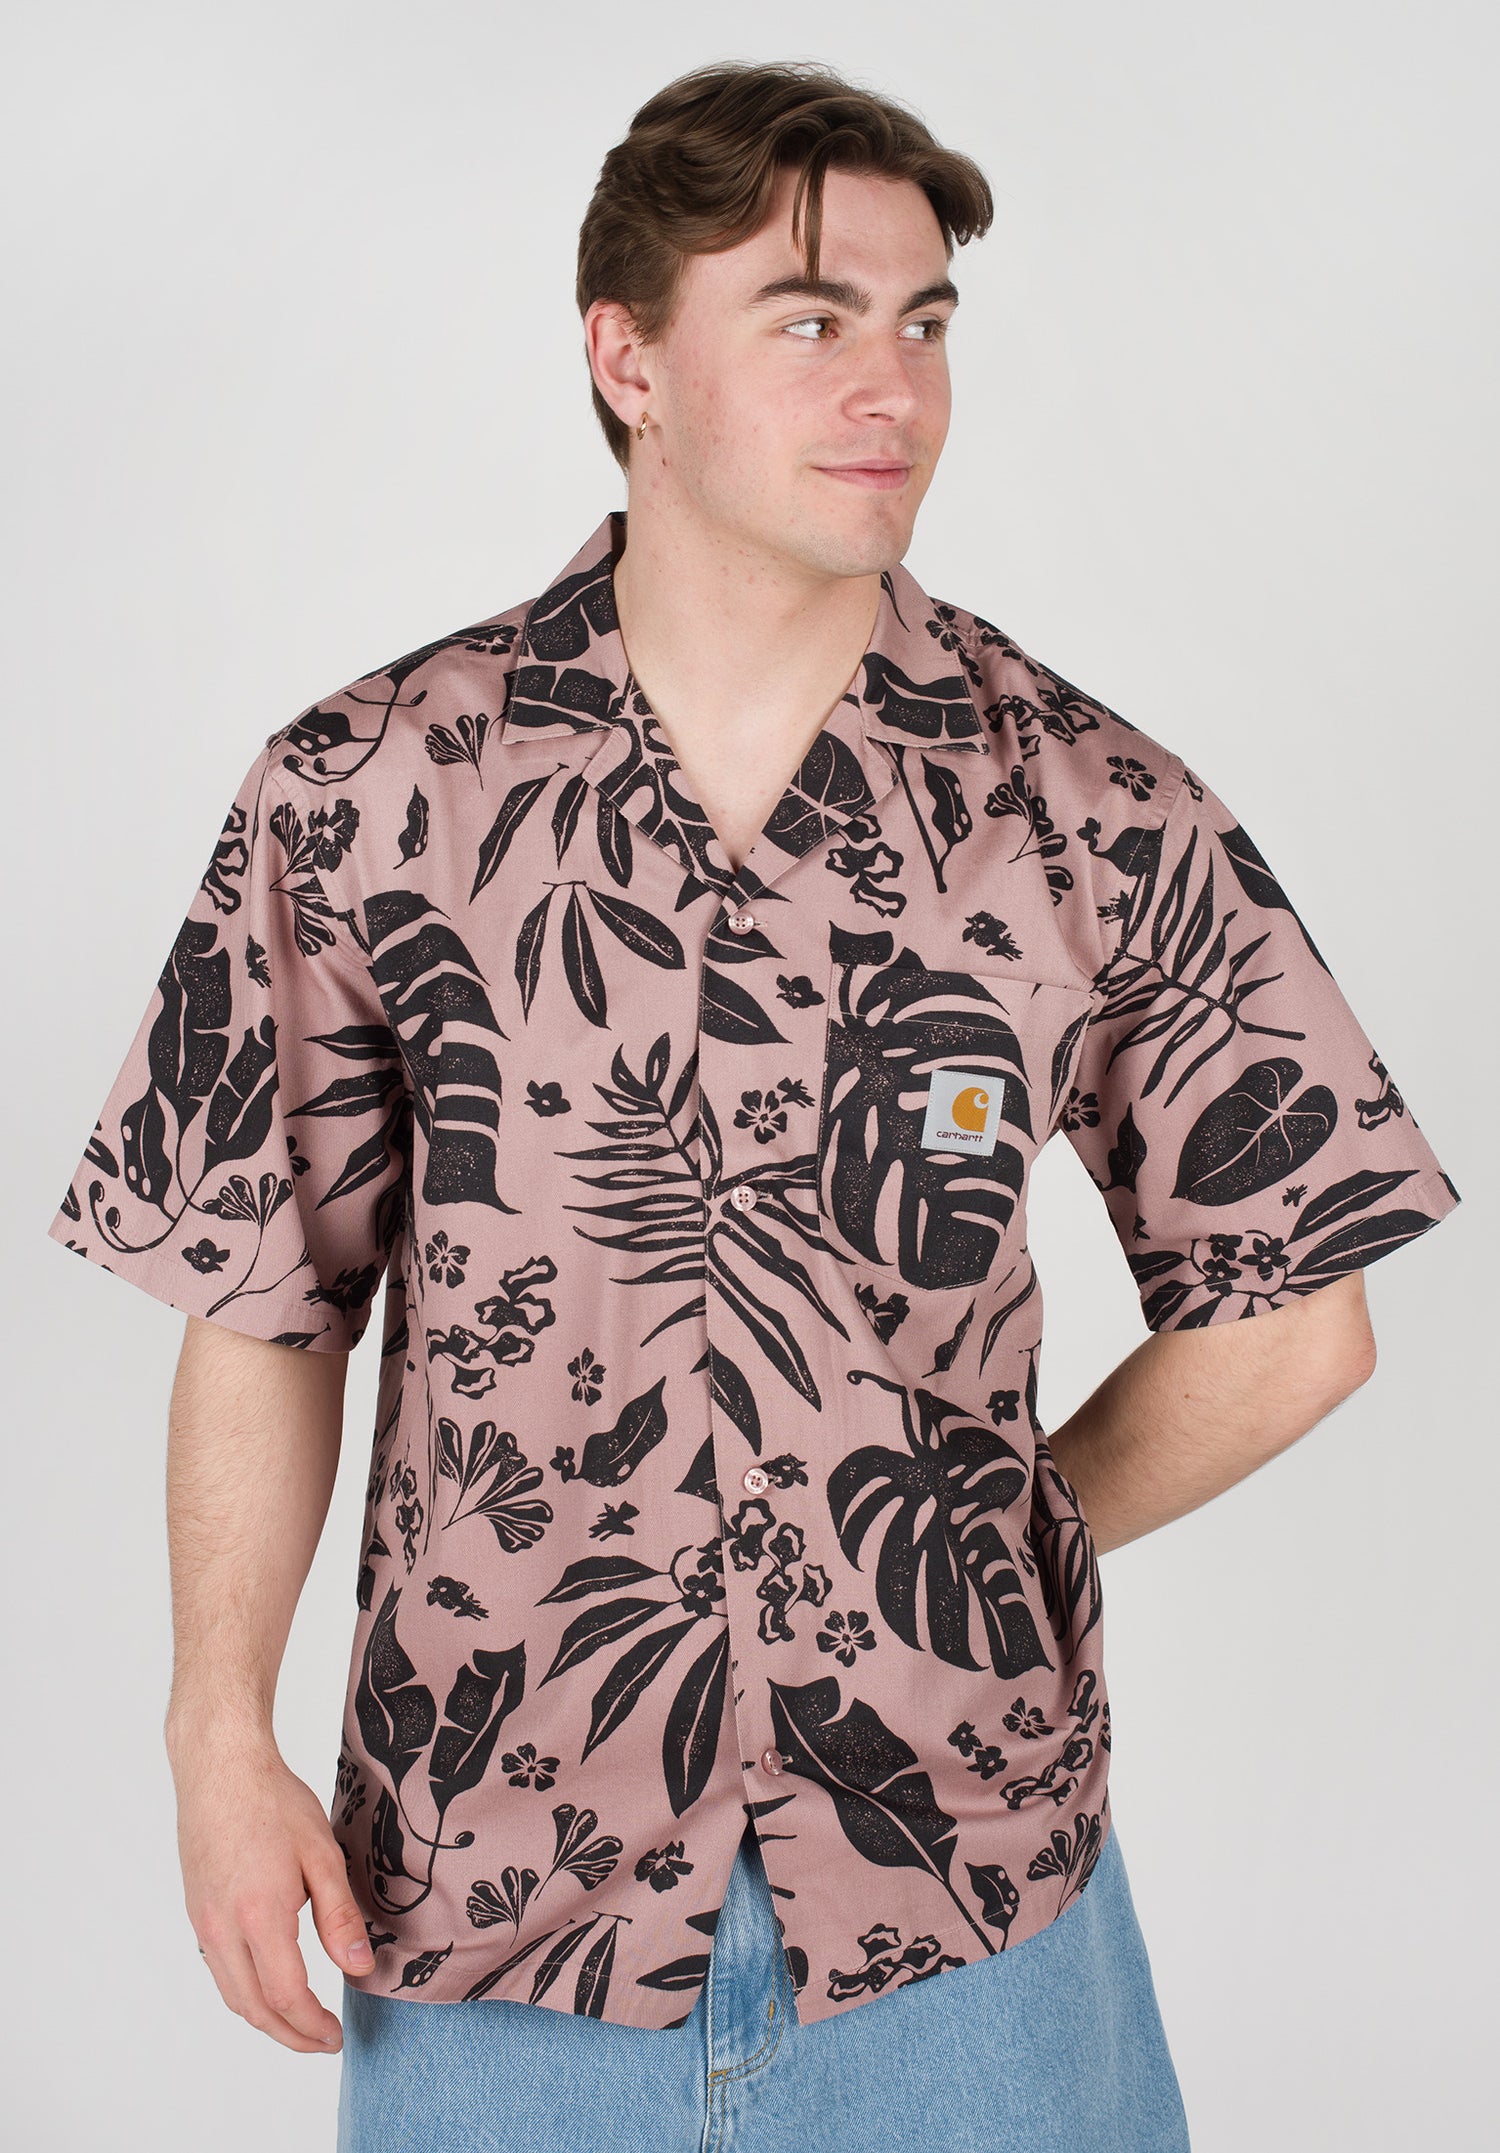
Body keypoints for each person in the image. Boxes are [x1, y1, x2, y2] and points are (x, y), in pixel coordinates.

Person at [45, 58, 1461, 2153]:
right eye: (811, 319)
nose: (893, 387)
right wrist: (213, 1738)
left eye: (924, 322)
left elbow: (1300, 1318)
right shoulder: (367, 793)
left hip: (966, 1915)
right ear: (627, 359)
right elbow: (262, 1298)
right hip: (493, 1907)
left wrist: (981, 1534)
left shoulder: (1088, 810)